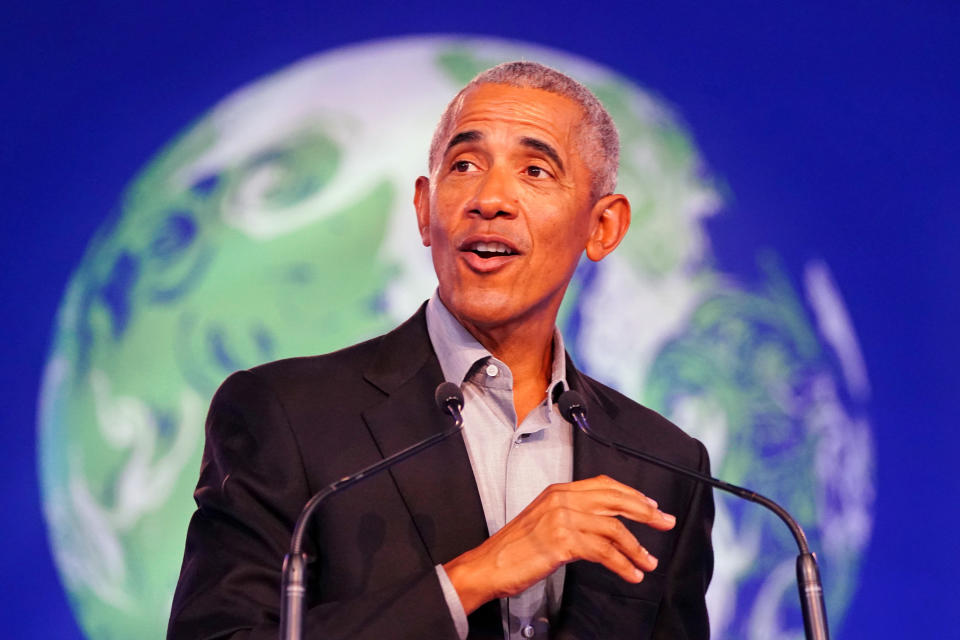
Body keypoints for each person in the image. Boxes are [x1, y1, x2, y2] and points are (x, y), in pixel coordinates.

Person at [168, 61, 714, 640]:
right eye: (465, 165)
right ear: (426, 209)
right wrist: (472, 577)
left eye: (534, 170)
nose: (490, 199)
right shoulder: (286, 415)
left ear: (603, 227)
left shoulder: (664, 465)